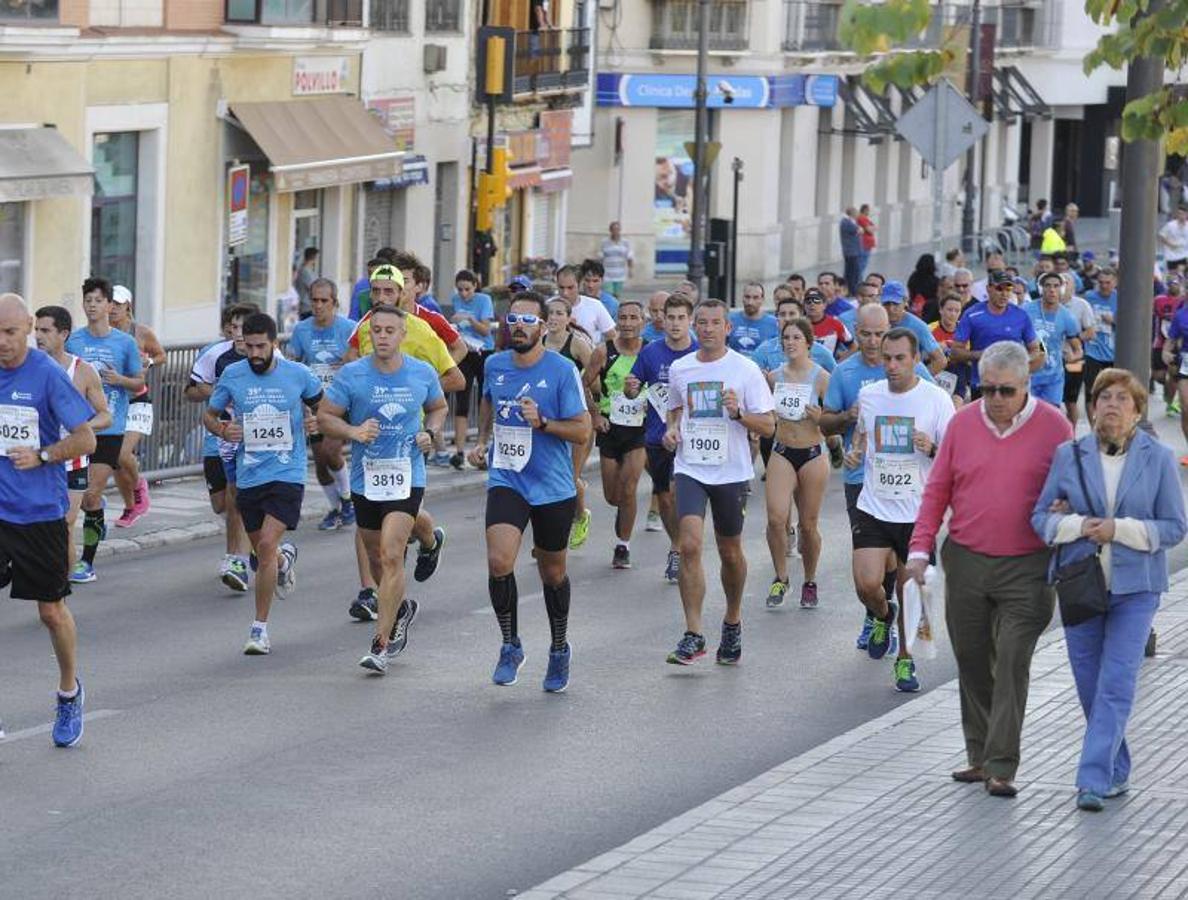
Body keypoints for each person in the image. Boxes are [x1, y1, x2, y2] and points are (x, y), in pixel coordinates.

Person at [907, 341, 1073, 797]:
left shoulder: (1054, 427)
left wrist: (1068, 508)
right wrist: (920, 550)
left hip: (1029, 565)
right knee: (974, 660)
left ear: (1026, 385)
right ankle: (978, 756)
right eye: (988, 389)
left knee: (1013, 659)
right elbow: (936, 491)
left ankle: (1002, 765)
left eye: (1006, 390)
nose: (996, 399)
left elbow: (1078, 488)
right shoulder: (962, 424)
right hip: (967, 558)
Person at [1031, 368, 1186, 810]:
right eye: (1105, 398)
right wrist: (1078, 524)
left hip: (1136, 588)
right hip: (1082, 584)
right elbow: (1041, 519)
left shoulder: (1157, 458)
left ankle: (1091, 780)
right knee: (1089, 686)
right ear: (1094, 407)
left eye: (1123, 399)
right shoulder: (1070, 455)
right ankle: (1115, 767)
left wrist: (1119, 529)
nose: (1112, 406)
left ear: (1138, 411)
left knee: (1116, 684)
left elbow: (1175, 527)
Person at [467, 291, 592, 691]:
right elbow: (488, 402)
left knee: (552, 572)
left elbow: (582, 429)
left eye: (527, 321)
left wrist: (543, 424)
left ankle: (558, 649)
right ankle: (510, 644)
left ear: (543, 327)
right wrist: (481, 441)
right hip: (507, 476)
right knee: (499, 561)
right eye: (513, 320)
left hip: (552, 485)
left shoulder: (561, 370)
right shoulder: (495, 364)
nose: (518, 327)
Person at [318, 305, 448, 674]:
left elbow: (437, 407)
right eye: (377, 330)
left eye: (391, 330)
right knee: (376, 556)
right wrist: (353, 432)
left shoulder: (421, 373)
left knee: (392, 555)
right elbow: (326, 417)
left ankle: (381, 643)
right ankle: (403, 603)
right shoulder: (353, 375)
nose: (384, 336)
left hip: (407, 473)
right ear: (368, 334)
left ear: (403, 334)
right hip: (366, 477)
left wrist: (432, 433)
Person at [0, 293, 96, 747]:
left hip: (39, 512)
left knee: (51, 612)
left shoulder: (47, 376)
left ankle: (69, 690)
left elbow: (86, 440)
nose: (3, 342)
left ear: (27, 331)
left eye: (11, 333)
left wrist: (42, 455)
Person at [662, 299, 775, 665]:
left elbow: (769, 425)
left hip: (731, 471)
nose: (708, 329)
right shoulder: (681, 369)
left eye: (715, 323)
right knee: (690, 546)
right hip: (691, 467)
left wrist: (739, 413)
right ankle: (694, 633)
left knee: (729, 551)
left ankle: (732, 619)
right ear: (695, 327)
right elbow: (675, 409)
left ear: (728, 328)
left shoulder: (745, 370)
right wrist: (672, 430)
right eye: (702, 323)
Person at [204, 313, 323, 655]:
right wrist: (223, 429)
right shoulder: (233, 375)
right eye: (248, 346)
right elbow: (210, 415)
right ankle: (284, 563)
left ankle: (259, 629)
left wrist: (317, 421)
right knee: (263, 551)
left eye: (260, 346)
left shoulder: (298, 374)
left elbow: (324, 407)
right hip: (249, 474)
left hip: (288, 472)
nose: (253, 353)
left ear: (274, 344)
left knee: (266, 545)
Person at [821, 305, 937, 651]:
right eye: (865, 334)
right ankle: (880, 614)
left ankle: (904, 651)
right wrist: (846, 419)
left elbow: (938, 419)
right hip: (864, 482)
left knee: (902, 573)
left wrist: (930, 446)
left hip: (912, 495)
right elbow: (828, 423)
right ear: (856, 332)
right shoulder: (847, 374)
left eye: (879, 334)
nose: (872, 343)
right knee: (869, 575)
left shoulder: (924, 384)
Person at [845, 327, 954, 692]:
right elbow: (861, 432)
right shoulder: (869, 395)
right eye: (886, 358)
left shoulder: (936, 400)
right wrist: (856, 451)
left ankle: (905, 660)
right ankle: (881, 615)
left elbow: (954, 460)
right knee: (867, 584)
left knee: (911, 593)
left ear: (916, 359)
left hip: (918, 514)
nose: (891, 365)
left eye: (899, 359)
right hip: (874, 505)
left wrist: (932, 448)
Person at [66, 278, 144, 583]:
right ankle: (95, 516)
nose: (93, 305)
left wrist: (119, 380)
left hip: (111, 427)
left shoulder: (124, 342)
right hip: (78, 428)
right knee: (83, 498)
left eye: (98, 300)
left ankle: (86, 561)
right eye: (88, 300)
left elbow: (139, 382)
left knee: (90, 495)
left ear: (110, 305)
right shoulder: (74, 341)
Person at [33, 306, 111, 584]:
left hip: (72, 461)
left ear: (63, 334)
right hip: (37, 458)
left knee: (64, 525)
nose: (38, 336)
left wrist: (81, 429)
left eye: (45, 331)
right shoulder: (26, 368)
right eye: (36, 330)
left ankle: (59, 587)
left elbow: (105, 414)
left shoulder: (82, 371)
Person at [626, 293, 698, 584]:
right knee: (666, 499)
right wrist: (631, 388)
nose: (676, 323)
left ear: (690, 320)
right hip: (658, 438)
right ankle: (677, 544)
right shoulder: (651, 352)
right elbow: (633, 388)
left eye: (682, 318)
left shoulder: (699, 352)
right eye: (671, 318)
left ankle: (682, 548)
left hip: (693, 440)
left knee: (680, 494)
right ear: (662, 320)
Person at [186, 304, 255, 592]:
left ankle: (235, 559)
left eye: (245, 328)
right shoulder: (215, 355)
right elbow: (190, 391)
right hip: (219, 439)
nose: (238, 334)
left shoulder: (270, 355)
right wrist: (218, 392)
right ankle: (250, 536)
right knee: (221, 504)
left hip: (254, 441)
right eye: (235, 327)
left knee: (236, 497)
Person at [763, 317, 830, 609]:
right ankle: (781, 577)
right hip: (782, 451)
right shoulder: (774, 377)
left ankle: (810, 580)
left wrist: (821, 418)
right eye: (786, 338)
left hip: (813, 453)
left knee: (807, 525)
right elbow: (763, 412)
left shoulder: (822, 377)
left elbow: (834, 419)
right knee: (777, 519)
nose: (790, 343)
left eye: (795, 338)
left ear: (808, 343)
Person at [286, 278, 357, 530]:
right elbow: (294, 365)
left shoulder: (349, 328)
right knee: (319, 460)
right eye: (314, 300)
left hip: (341, 402)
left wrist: (347, 364)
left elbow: (360, 364)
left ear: (334, 303)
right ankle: (335, 508)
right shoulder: (302, 330)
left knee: (331, 451)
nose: (318, 305)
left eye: (324, 301)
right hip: (314, 403)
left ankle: (348, 500)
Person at [588, 300, 648, 569]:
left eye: (633, 317)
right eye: (622, 318)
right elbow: (582, 384)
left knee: (629, 488)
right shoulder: (603, 352)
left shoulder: (651, 352)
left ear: (642, 322)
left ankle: (623, 545)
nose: (627, 323)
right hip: (611, 427)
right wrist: (594, 415)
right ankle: (622, 510)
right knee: (613, 496)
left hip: (640, 429)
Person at [108, 285, 163, 527]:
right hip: (112, 402)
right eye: (109, 303)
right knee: (116, 461)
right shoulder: (102, 333)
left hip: (137, 400)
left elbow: (161, 355)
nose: (112, 309)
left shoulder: (140, 332)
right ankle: (130, 507)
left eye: (117, 305)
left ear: (128, 306)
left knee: (121, 454)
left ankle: (139, 485)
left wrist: (148, 361)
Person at [949, 270, 1043, 398]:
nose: (1004, 294)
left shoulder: (1020, 315)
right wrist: (983, 354)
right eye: (999, 288)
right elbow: (955, 352)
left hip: (1012, 383)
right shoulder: (972, 314)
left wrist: (1019, 360)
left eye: (1008, 289)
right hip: (982, 384)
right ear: (988, 289)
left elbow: (1036, 349)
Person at [448, 269, 497, 469]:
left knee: (484, 400)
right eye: (460, 289)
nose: (463, 294)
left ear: (475, 287)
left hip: (483, 351)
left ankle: (480, 449)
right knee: (462, 399)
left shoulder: (484, 300)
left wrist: (469, 319)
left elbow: (486, 329)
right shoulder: (455, 299)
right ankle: (459, 452)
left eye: (467, 289)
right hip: (465, 350)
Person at [1023, 272, 1083, 407]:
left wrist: (1073, 357)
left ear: (1061, 289)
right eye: (1048, 286)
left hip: (1053, 378)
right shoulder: (1027, 310)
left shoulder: (1068, 317)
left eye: (1056, 286)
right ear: (1041, 289)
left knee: (1051, 416)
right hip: (1029, 375)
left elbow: (1078, 349)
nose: (1052, 290)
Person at [879, 280, 946, 374]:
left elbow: (940, 360)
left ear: (905, 302)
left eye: (895, 304)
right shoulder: (875, 323)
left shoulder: (918, 326)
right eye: (887, 304)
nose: (891, 309)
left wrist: (919, 381)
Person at [1059, 272, 1098, 426]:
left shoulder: (1081, 305)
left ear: (1073, 287)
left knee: (1071, 400)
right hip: (1052, 359)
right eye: (1058, 284)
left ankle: (1071, 435)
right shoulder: (1045, 305)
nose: (1061, 287)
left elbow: (1091, 332)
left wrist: (1073, 339)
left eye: (1065, 283)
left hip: (1075, 358)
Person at [1081, 267, 1119, 420]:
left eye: (1108, 283)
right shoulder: (1089, 297)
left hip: (1114, 353)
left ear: (1115, 283)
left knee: (1113, 393)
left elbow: (1133, 324)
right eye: (1101, 282)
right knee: (1091, 393)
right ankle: (1093, 430)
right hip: (1093, 351)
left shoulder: (1122, 299)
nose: (1104, 286)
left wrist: (1114, 321)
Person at [558, 264, 616, 346]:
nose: (565, 293)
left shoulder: (595, 305)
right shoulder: (547, 306)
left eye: (570, 288)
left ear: (580, 285)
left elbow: (612, 336)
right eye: (561, 287)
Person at [929, 294, 971, 398]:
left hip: (958, 375)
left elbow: (970, 359)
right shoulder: (929, 329)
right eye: (949, 310)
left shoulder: (966, 330)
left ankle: (958, 401)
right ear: (941, 310)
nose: (953, 314)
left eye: (957, 311)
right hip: (936, 372)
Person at [727, 282, 779, 359]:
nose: (750, 302)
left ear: (762, 299)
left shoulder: (774, 323)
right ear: (742, 298)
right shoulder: (730, 319)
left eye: (755, 297)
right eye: (747, 297)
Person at [803, 287, 852, 359]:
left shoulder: (836, 324)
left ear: (824, 305)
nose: (812, 304)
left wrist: (837, 365)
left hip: (827, 369)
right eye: (808, 301)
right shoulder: (797, 324)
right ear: (804, 305)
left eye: (817, 300)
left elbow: (854, 347)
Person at [600, 221, 634, 297]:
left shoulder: (625, 242)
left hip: (620, 273)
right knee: (608, 294)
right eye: (613, 229)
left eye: (617, 229)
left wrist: (630, 270)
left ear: (620, 230)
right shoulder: (605, 242)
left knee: (617, 295)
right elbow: (601, 257)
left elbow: (629, 257)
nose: (615, 231)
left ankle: (616, 308)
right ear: (610, 230)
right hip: (607, 273)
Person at [907, 254, 940, 323]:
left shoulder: (913, 277)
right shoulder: (935, 280)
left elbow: (910, 290)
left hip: (914, 307)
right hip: (930, 310)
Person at [839, 207, 863, 295]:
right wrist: (859, 229)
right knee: (852, 273)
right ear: (852, 213)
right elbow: (859, 230)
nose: (857, 214)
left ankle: (850, 289)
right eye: (856, 212)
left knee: (852, 272)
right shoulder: (846, 222)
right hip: (851, 252)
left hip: (853, 251)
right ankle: (852, 290)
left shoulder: (850, 221)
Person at [1158, 204, 1188, 270]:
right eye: (1179, 213)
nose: (1181, 216)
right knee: (1173, 278)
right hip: (1171, 255)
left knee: (1180, 274)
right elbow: (1161, 236)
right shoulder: (1170, 225)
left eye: (1183, 214)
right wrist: (1170, 244)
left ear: (1186, 214)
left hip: (1183, 255)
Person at [292, 246, 319, 319]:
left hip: (310, 306)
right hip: (306, 307)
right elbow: (312, 288)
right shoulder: (304, 271)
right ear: (314, 258)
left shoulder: (310, 270)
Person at [857, 204, 877, 275]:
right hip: (864, 244)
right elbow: (870, 230)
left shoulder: (866, 218)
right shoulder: (862, 218)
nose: (869, 212)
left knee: (863, 263)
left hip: (867, 244)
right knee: (862, 263)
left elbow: (875, 227)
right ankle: (859, 278)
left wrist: (872, 228)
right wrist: (872, 228)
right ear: (865, 210)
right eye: (868, 210)